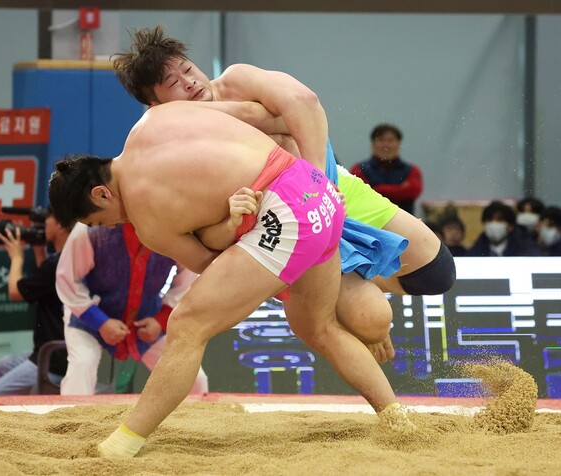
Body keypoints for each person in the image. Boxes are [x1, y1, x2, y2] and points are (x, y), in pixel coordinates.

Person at [48, 101, 415, 458]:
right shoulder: (156, 118)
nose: (113, 226)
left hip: (284, 217)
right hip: (319, 189)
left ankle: (125, 441)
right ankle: (395, 416)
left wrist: (231, 232)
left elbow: (212, 264)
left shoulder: (146, 220)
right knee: (319, 327)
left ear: (102, 193)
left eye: (101, 221)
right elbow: (255, 114)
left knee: (187, 324)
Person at [111, 26, 456, 361]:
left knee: (437, 273)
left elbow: (305, 102)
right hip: (284, 229)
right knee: (373, 321)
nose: (189, 82)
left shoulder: (235, 81)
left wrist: (321, 184)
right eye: (174, 84)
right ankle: (343, 294)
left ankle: (359, 273)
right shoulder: (170, 147)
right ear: (155, 104)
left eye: (188, 70)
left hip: (329, 184)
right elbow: (203, 242)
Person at [55, 222, 207, 395]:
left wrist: (161, 320)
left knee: (194, 379)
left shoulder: (176, 229)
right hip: (88, 315)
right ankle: (73, 413)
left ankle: (197, 414)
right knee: (82, 365)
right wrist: (99, 321)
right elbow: (68, 280)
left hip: (147, 316)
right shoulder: (91, 227)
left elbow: (188, 282)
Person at [0, 208, 71, 396]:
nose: (44, 223)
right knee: (3, 365)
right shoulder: (67, 259)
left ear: (61, 226)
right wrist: (39, 252)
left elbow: (15, 293)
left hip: (51, 362)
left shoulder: (56, 264)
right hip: (54, 354)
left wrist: (16, 257)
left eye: (48, 218)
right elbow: (46, 284)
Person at [349, 124, 423, 216]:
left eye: (390, 140)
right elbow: (360, 196)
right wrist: (400, 190)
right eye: (381, 140)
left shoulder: (412, 170)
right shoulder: (359, 169)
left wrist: (377, 189)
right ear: (372, 144)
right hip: (370, 221)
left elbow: (413, 191)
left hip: (404, 222)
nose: (385, 145)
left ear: (399, 144)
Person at [467, 201, 540, 257]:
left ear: (511, 226)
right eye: (489, 220)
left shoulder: (526, 250)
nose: (494, 224)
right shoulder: (475, 251)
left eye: (499, 220)